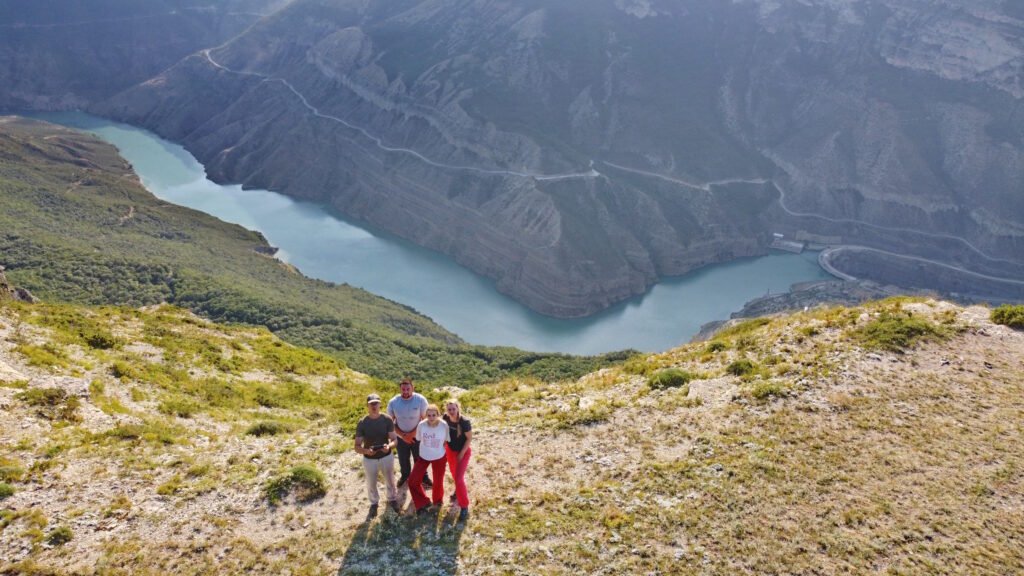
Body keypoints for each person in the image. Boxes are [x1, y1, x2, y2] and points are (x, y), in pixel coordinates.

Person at [353, 393, 398, 518]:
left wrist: (389, 446)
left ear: (380, 404)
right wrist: (367, 451)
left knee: (390, 480)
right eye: (371, 404)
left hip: (386, 456)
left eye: (376, 403)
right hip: (369, 459)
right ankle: (374, 504)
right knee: (371, 483)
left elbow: (395, 440)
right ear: (368, 405)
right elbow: (357, 446)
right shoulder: (362, 423)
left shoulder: (387, 419)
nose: (374, 406)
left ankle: (392, 500)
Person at [387, 377, 431, 488]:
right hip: (400, 437)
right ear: (400, 389)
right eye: (403, 389)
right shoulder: (393, 402)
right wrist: (403, 435)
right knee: (403, 458)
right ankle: (405, 476)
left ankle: (423, 477)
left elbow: (425, 419)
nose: (406, 392)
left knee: (420, 458)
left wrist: (412, 434)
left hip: (417, 435)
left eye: (408, 389)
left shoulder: (420, 400)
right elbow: (390, 422)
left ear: (413, 388)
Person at [408, 404, 450, 515]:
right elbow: (419, 439)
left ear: (438, 415)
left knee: (438, 481)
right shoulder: (421, 425)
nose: (431, 418)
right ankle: (423, 502)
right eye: (429, 415)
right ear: (426, 415)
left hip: (439, 456)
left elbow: (446, 441)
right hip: (424, 456)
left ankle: (437, 501)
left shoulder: (444, 425)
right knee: (412, 480)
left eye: (434, 415)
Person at [444, 399, 472, 521]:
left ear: (458, 408)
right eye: (449, 409)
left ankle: (464, 506)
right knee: (455, 476)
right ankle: (458, 490)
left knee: (459, 478)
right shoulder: (445, 418)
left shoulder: (464, 422)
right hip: (450, 451)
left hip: (463, 452)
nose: (451, 411)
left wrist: (461, 453)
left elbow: (469, 438)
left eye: (453, 409)